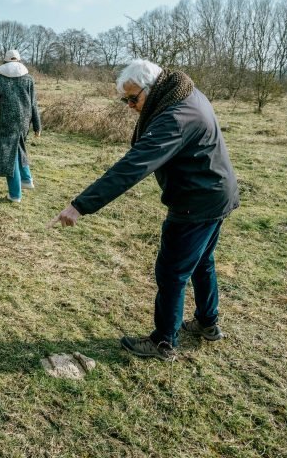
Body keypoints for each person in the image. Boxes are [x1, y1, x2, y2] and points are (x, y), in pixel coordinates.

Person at [48, 59, 240, 361]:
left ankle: (164, 342)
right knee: (202, 262)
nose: (129, 105)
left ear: (151, 89)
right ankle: (207, 323)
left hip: (196, 202)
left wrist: (80, 205)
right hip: (216, 193)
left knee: (172, 273)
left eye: (132, 98)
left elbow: (133, 165)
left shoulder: (176, 117)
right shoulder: (183, 92)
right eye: (125, 99)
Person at [0, 49, 41, 202]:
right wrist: (37, 126)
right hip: (24, 121)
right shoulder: (28, 78)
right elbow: (34, 103)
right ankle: (27, 180)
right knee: (19, 148)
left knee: (9, 156)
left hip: (7, 122)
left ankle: (15, 194)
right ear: (19, 60)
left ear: (5, 61)